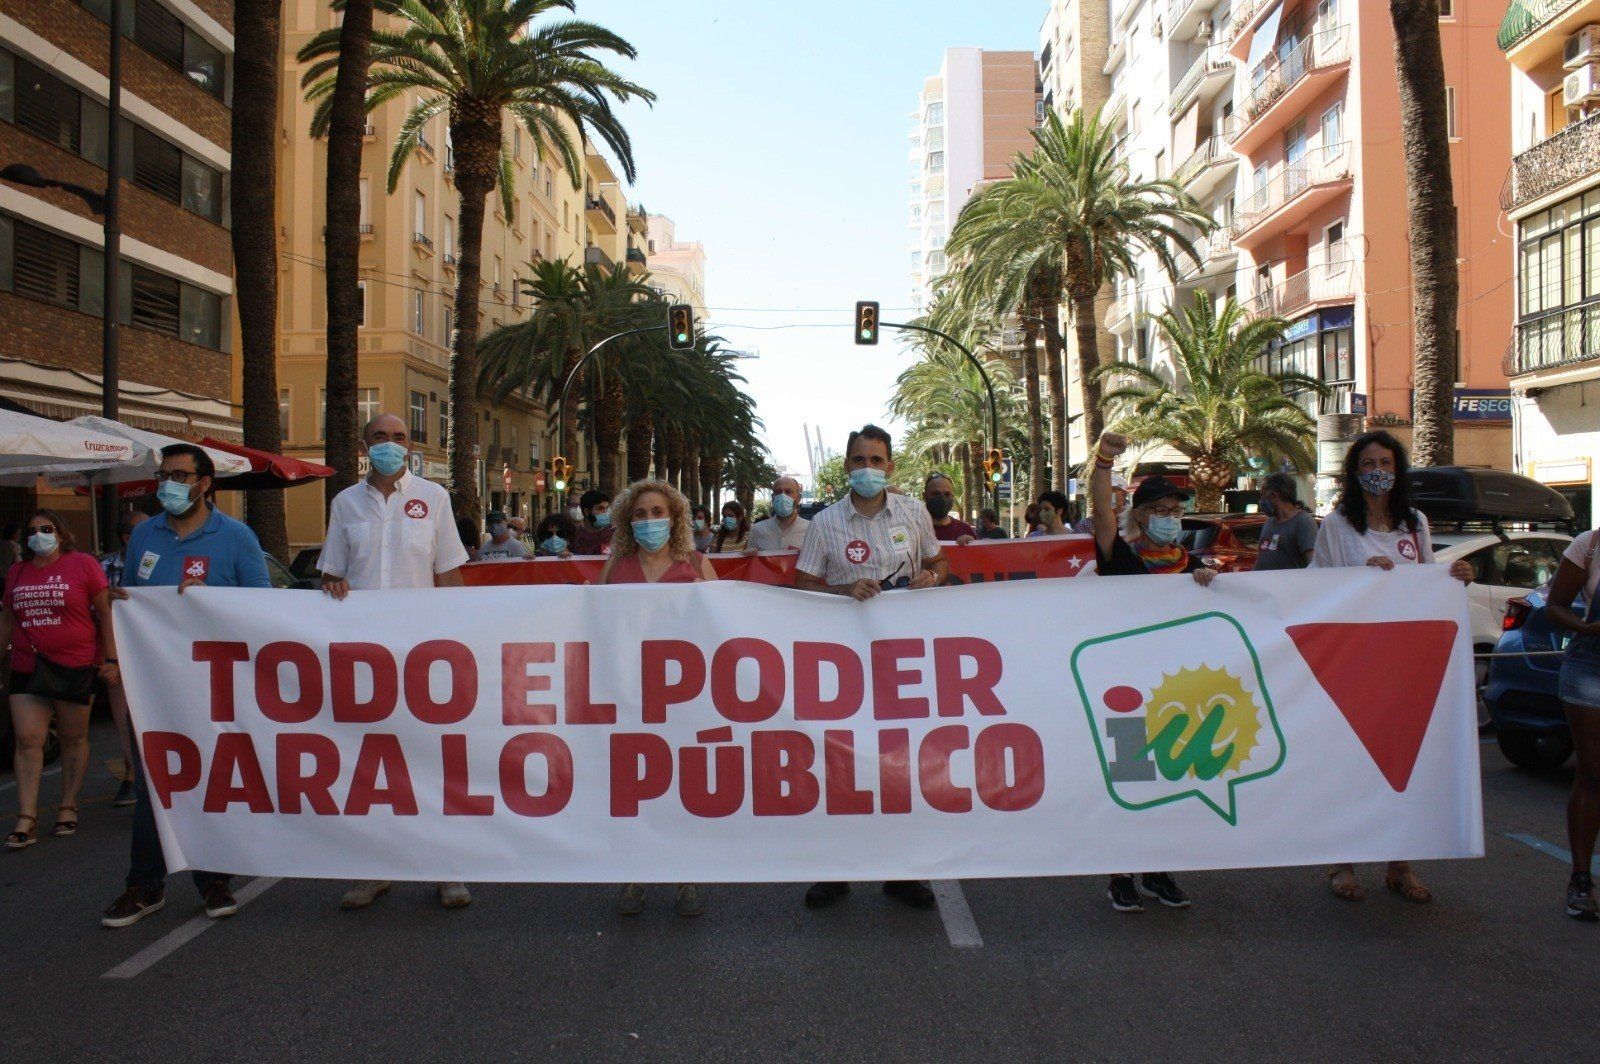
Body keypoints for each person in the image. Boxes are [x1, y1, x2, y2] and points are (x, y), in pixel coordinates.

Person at [102, 443, 272, 928]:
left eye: (178, 475)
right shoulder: (145, 536)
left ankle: (212, 879)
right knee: (156, 782)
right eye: (163, 474)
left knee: (209, 780)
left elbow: (261, 608)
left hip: (213, 683)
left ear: (203, 484)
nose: (167, 484)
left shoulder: (236, 537)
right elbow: (136, 602)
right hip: (156, 682)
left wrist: (212, 601)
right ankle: (144, 885)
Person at [1310, 430, 1473, 905]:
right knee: (1353, 762)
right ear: (1354, 472)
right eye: (1367, 463)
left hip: (1405, 662)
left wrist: (1454, 574)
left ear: (1398, 469)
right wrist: (1361, 579)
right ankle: (1342, 861)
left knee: (1406, 763)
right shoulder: (1339, 524)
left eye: (1385, 461)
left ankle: (1400, 862)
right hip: (1356, 660)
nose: (1376, 470)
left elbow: (1427, 577)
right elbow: (1319, 587)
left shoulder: (1415, 521)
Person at [319, 414, 473, 912]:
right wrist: (333, 584)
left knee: (432, 762)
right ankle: (375, 869)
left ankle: (445, 868)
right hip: (365, 659)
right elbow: (333, 575)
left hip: (424, 656)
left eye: (399, 437)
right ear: (365, 445)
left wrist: (461, 641)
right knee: (371, 765)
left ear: (411, 445)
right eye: (380, 437)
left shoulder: (434, 499)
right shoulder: (344, 503)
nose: (390, 445)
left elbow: (448, 573)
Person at [796, 424, 946, 911]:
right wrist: (845, 592)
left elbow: (939, 564)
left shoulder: (913, 512)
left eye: (877, 460)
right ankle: (834, 870)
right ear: (846, 467)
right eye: (859, 460)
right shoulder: (825, 523)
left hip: (903, 659)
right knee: (839, 760)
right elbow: (803, 586)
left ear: (891, 467)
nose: (868, 469)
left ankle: (903, 872)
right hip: (843, 662)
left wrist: (930, 578)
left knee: (901, 760)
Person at [1090, 432, 1216, 914]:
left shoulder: (1190, 563)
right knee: (1130, 777)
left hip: (1176, 690)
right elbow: (1102, 513)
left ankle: (1158, 868)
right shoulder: (1120, 556)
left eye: (1175, 511)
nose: (1170, 518)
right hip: (1124, 688)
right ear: (1140, 515)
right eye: (1161, 510)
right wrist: (1104, 460)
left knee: (1171, 778)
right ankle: (1120, 874)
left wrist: (1207, 582)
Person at [600, 480, 716, 917]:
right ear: (629, 521)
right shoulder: (615, 567)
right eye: (641, 514)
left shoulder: (698, 565)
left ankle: (688, 875)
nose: (650, 521)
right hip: (631, 693)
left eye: (657, 512)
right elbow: (596, 629)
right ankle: (635, 873)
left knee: (683, 781)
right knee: (635, 783)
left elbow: (720, 629)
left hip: (685, 696)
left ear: (676, 518)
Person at [2, 510, 119, 851]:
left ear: (62, 534)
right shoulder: (17, 572)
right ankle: (26, 816)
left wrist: (109, 659)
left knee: (72, 736)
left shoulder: (83, 565)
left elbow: (103, 615)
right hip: (27, 665)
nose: (39, 535)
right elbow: (7, 619)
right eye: (33, 530)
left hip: (74, 665)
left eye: (47, 529)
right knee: (27, 739)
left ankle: (68, 804)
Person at [1545, 526, 1600, 921]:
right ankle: (1581, 880)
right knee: (1592, 774)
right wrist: (1583, 628)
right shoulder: (1590, 545)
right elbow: (1557, 603)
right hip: (1592, 667)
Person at [100, 509, 148, 806]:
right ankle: (132, 771)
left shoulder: (156, 564)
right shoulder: (103, 569)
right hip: (119, 652)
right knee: (125, 717)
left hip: (152, 653)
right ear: (128, 537)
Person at [1253, 472, 1317, 571]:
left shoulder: (1303, 522)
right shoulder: (1269, 522)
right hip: (1264, 585)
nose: (1261, 501)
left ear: (1274, 495)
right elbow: (1262, 557)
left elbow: (1312, 562)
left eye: (1263, 495)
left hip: (1289, 585)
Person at [747, 476, 809, 553]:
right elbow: (750, 562)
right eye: (778, 492)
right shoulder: (757, 530)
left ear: (799, 498)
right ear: (773, 498)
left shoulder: (810, 530)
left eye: (788, 492)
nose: (783, 496)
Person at [924, 473, 976, 544]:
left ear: (952, 497)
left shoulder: (966, 530)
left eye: (947, 494)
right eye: (936, 494)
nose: (942, 499)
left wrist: (971, 544)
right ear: (924, 496)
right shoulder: (914, 530)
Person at [572, 489, 615, 555]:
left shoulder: (616, 534)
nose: (605, 512)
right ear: (587, 512)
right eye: (600, 508)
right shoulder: (574, 535)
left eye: (607, 508)